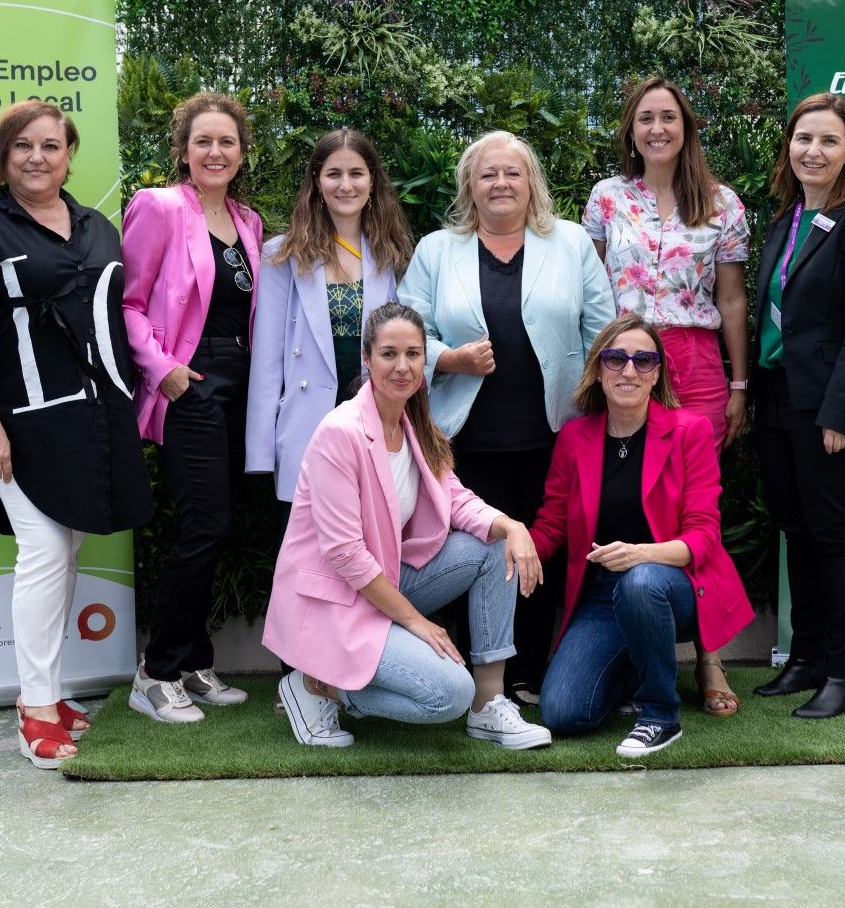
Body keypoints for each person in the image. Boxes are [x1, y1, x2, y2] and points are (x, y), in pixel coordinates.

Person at [0, 100, 154, 769]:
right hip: (23, 423)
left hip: (97, 420)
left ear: (69, 153)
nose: (37, 158)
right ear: (2, 158)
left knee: (69, 551)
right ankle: (34, 708)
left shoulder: (97, 227)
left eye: (50, 146)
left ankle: (51, 695)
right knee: (43, 551)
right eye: (22, 146)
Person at [262, 303, 553, 750]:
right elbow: (345, 554)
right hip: (337, 602)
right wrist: (417, 622)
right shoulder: (340, 432)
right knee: (449, 694)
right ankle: (317, 687)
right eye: (389, 354)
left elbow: (454, 498)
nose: (402, 367)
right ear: (367, 358)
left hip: (387, 580)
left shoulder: (414, 422)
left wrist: (510, 525)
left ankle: (489, 705)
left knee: (493, 545)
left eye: (413, 354)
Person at [398, 130, 616, 706]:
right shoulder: (436, 249)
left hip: (556, 434)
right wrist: (450, 358)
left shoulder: (569, 244)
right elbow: (407, 333)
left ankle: (535, 674)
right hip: (464, 437)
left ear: (531, 183)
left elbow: (603, 332)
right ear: (470, 184)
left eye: (512, 173)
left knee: (547, 550)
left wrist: (605, 408)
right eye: (488, 174)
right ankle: (481, 676)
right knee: (479, 553)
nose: (501, 183)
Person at [582, 75, 752, 716]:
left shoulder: (722, 204)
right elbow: (590, 289)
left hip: (697, 362)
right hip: (625, 359)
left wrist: (738, 383)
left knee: (695, 512)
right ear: (631, 130)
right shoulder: (605, 198)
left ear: (686, 129)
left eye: (669, 119)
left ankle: (709, 659)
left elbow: (732, 298)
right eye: (645, 118)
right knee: (626, 499)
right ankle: (623, 646)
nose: (657, 129)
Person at [530, 315, 753, 757]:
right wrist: (515, 547)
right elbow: (553, 522)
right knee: (563, 713)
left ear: (657, 373)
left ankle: (659, 715)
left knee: (641, 581)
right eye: (615, 359)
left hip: (676, 586)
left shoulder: (690, 431)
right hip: (601, 596)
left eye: (643, 360)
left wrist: (641, 555)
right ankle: (636, 665)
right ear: (597, 369)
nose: (629, 371)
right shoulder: (575, 438)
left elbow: (704, 536)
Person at [749, 91, 845, 719]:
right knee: (797, 533)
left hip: (831, 405)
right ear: (790, 146)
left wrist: (840, 412)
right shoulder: (786, 221)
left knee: (835, 538)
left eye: (828, 141)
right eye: (804, 138)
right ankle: (806, 658)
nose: (813, 150)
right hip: (777, 397)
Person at [120, 91, 262, 724]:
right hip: (190, 381)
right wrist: (166, 372)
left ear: (241, 153)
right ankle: (154, 673)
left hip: (242, 386)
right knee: (203, 526)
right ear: (183, 149)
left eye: (226, 141)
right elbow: (125, 303)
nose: (215, 151)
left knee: (219, 524)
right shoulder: (158, 207)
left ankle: (194, 661)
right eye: (202, 140)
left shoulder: (249, 222)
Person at [246, 128, 415, 503]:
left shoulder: (392, 253)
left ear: (372, 180)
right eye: (333, 174)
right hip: (308, 423)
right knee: (306, 550)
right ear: (316, 181)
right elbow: (267, 358)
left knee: (374, 541)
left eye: (356, 173)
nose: (345, 185)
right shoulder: (282, 255)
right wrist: (260, 452)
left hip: (374, 419)